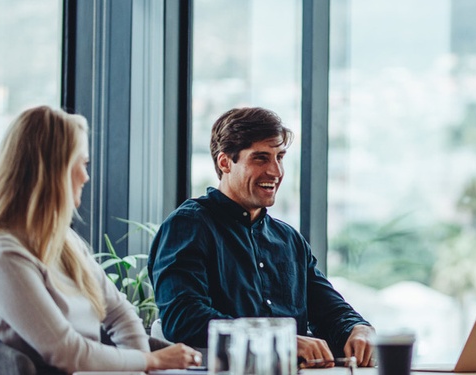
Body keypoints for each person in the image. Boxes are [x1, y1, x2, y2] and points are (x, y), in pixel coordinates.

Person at [0, 106, 201, 373]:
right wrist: (151, 360)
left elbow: (119, 312)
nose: (86, 176)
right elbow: (66, 352)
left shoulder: (64, 241)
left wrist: (139, 368)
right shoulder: (1, 255)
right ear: (54, 171)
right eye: (82, 163)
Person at [148, 107, 375, 367]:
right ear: (225, 162)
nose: (276, 171)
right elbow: (183, 318)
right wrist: (279, 340)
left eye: (280, 157)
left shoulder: (289, 240)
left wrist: (358, 328)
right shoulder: (188, 226)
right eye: (260, 158)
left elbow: (330, 310)